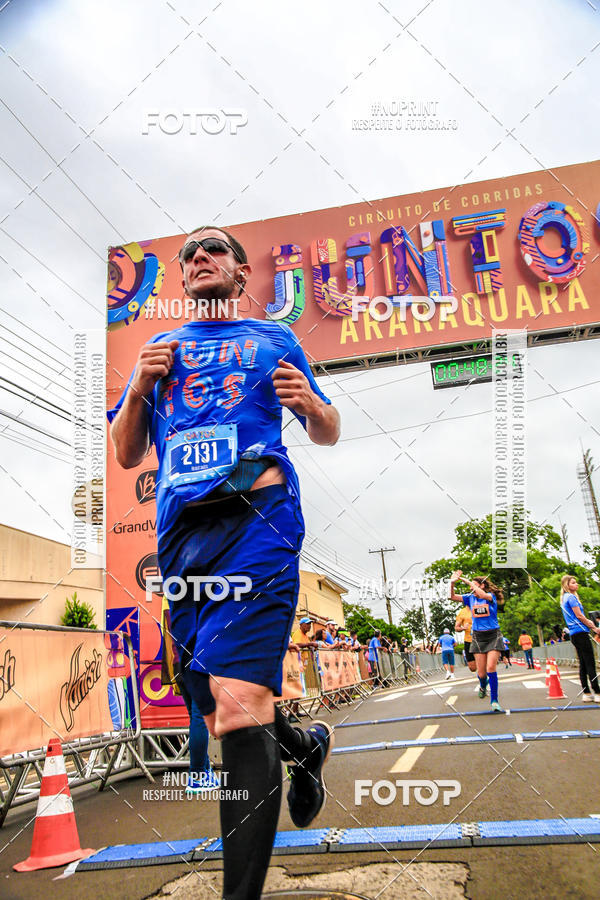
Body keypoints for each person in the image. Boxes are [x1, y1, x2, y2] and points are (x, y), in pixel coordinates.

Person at [108, 226, 341, 899]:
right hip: (183, 534)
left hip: (258, 520)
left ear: (241, 274)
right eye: (189, 255)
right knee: (209, 700)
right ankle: (303, 746)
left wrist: (312, 407)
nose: (199, 258)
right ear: (181, 280)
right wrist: (140, 388)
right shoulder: (160, 352)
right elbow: (127, 455)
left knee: (239, 711)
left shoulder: (275, 340)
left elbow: (327, 429)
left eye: (215, 250)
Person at [450, 570, 505, 712]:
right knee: (481, 673)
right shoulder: (470, 598)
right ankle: (482, 684)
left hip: (493, 635)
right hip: (478, 637)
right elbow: (452, 597)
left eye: (474, 585)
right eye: (471, 586)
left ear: (482, 585)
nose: (470, 588)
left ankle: (494, 700)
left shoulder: (489, 596)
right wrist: (452, 583)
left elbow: (481, 594)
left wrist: (465, 580)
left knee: (490, 668)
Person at [559, 575, 600, 702]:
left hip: (574, 634)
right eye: (573, 582)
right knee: (590, 663)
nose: (576, 585)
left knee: (583, 664)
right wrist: (594, 628)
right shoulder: (571, 597)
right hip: (581, 633)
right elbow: (580, 616)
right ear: (567, 585)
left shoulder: (564, 598)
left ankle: (586, 692)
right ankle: (597, 692)